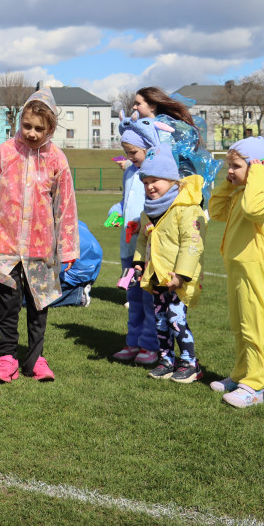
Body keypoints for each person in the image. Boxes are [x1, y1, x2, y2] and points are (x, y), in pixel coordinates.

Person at [0, 89, 76, 383]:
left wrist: (67, 249)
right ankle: (7, 357)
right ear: (20, 122)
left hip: (41, 247)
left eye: (39, 128)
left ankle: (35, 358)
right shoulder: (3, 154)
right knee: (7, 304)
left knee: (38, 305)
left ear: (50, 129)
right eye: (27, 126)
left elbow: (66, 207)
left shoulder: (57, 159)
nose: (32, 133)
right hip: (5, 246)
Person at [208, 137, 264, 407]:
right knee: (239, 324)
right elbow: (215, 210)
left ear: (257, 167)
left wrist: (256, 175)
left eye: (236, 166)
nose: (229, 171)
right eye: (228, 165)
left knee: (254, 325)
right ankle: (241, 374)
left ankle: (255, 386)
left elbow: (254, 211)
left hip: (254, 267)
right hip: (236, 267)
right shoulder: (240, 193)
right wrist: (227, 183)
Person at [132, 147, 206, 383]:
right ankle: (166, 360)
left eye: (156, 181)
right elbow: (143, 239)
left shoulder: (187, 208)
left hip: (176, 278)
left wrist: (182, 275)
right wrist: (138, 264)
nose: (150, 186)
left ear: (172, 181)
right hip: (156, 276)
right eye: (146, 182)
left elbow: (193, 243)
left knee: (176, 320)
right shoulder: (149, 210)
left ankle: (189, 363)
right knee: (161, 321)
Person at [109, 119, 159, 367]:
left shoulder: (157, 174)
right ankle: (133, 342)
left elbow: (160, 207)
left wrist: (145, 225)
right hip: (129, 247)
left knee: (149, 299)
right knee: (134, 298)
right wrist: (117, 211)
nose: (129, 158)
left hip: (148, 250)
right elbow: (126, 200)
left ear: (149, 147)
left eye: (133, 152)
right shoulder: (130, 172)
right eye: (127, 152)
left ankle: (150, 344)